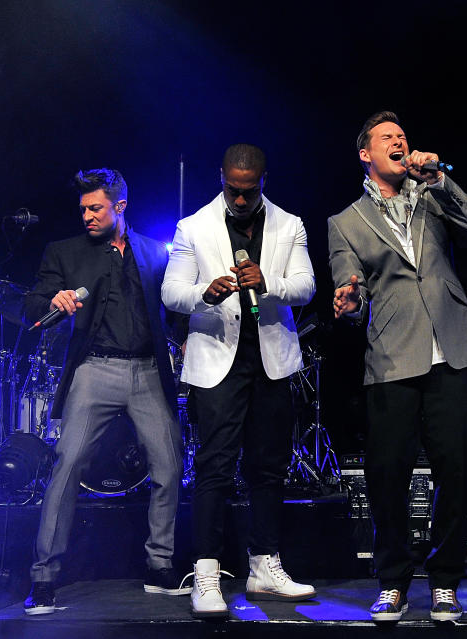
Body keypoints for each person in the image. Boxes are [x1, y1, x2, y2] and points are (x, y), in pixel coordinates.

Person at [328, 111, 467, 622]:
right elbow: (347, 282)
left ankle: (445, 581)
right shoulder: (346, 221)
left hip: (450, 349)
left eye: (403, 136)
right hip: (393, 357)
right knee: (388, 476)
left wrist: (441, 180)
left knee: (458, 470)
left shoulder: (432, 197)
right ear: (366, 154)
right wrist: (350, 301)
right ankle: (393, 581)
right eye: (387, 138)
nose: (399, 142)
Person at [161, 143, 317, 619]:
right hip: (216, 362)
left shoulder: (290, 225)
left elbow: (307, 286)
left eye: (250, 191)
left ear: (263, 182)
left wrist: (266, 282)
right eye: (234, 190)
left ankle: (264, 566)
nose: (242, 200)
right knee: (215, 468)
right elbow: (171, 293)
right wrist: (204, 294)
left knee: (267, 469)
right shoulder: (193, 227)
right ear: (222, 179)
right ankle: (206, 573)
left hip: (270, 359)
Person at [23, 168, 183, 615]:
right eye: (83, 209)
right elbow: (32, 304)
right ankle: (44, 578)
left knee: (170, 466)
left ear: (121, 206)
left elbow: (175, 313)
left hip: (149, 371)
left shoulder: (154, 253)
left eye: (96, 207)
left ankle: (160, 565)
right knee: (68, 462)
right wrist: (52, 302)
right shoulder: (65, 252)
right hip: (95, 370)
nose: (87, 216)